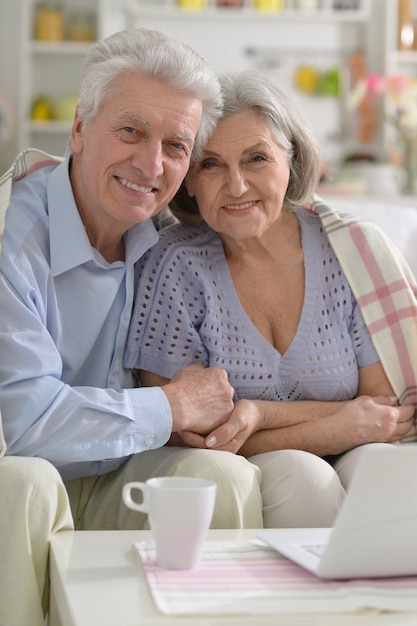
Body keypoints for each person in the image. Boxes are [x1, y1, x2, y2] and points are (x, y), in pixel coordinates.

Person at [0, 31, 263, 626]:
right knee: (26, 483)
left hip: (113, 476)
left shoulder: (171, 243)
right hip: (19, 476)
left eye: (176, 145)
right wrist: (169, 407)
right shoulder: (11, 239)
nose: (152, 165)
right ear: (78, 130)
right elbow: (22, 425)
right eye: (130, 131)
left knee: (219, 478)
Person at [125, 69, 417, 528]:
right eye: (211, 163)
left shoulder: (350, 251)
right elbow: (183, 436)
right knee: (305, 477)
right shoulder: (175, 265)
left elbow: (382, 411)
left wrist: (258, 413)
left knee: (396, 472)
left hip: (356, 449)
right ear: (188, 180)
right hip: (241, 468)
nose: (237, 186)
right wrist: (332, 429)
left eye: (256, 158)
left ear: (293, 160)